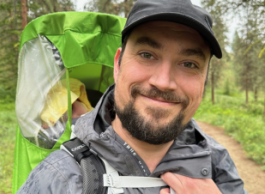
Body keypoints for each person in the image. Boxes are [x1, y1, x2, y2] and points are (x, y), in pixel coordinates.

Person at [17, 0, 247, 193]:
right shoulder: (57, 179)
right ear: (117, 65)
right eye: (147, 55)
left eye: (189, 64)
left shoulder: (218, 161)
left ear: (204, 81)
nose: (163, 81)